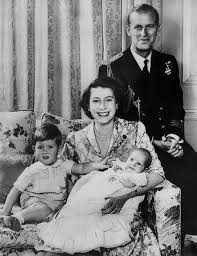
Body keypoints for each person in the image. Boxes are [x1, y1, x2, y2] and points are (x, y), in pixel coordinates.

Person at [36, 77, 167, 256]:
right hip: (84, 212)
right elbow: (57, 168)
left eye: (108, 100)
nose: (103, 107)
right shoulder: (77, 138)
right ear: (88, 106)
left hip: (121, 218)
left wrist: (126, 195)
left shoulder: (135, 130)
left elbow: (158, 174)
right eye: (96, 101)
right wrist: (78, 173)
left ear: (117, 104)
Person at [98, 3, 197, 238]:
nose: (144, 34)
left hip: (165, 142)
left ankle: (187, 238)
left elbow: (175, 108)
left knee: (192, 164)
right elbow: (113, 121)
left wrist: (174, 139)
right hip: (132, 149)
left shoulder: (167, 63)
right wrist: (153, 142)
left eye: (150, 27)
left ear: (157, 29)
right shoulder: (112, 66)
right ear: (128, 29)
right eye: (138, 27)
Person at [36, 148, 152, 254]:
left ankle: (78, 232)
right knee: (86, 195)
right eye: (131, 159)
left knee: (95, 209)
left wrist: (118, 177)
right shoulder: (124, 167)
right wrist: (114, 166)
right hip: (102, 187)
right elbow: (114, 164)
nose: (132, 164)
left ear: (144, 169)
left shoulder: (139, 176)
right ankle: (70, 217)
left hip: (115, 193)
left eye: (138, 164)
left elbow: (129, 183)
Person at [0, 123, 108, 232]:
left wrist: (97, 165)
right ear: (34, 149)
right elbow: (15, 190)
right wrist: (6, 211)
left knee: (72, 212)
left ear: (59, 149)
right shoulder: (31, 170)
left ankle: (49, 220)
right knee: (43, 210)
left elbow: (81, 168)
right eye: (40, 147)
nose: (45, 151)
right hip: (35, 201)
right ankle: (17, 218)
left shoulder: (64, 164)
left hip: (58, 204)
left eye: (50, 147)